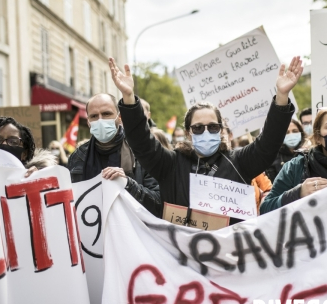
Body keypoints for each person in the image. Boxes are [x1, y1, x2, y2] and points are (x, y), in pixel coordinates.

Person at [110, 56, 302, 224]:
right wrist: (128, 98)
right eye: (198, 128)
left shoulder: (239, 162)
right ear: (188, 133)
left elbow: (268, 145)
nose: (206, 132)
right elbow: (141, 142)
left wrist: (282, 97)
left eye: (212, 127)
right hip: (183, 258)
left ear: (220, 130)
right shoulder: (170, 164)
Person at [67, 93, 161, 216]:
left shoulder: (142, 151)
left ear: (119, 117)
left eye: (106, 114)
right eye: (94, 116)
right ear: (88, 122)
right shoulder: (78, 157)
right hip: (94, 228)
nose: (100, 120)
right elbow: (71, 204)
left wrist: (128, 183)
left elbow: (159, 202)